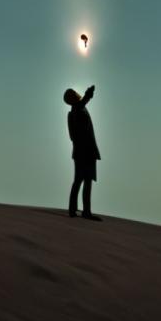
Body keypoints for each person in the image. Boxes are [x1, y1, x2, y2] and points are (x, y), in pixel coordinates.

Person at [63, 84, 102, 220]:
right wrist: (88, 93)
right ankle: (84, 211)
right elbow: (84, 100)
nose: (75, 94)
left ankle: (75, 210)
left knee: (81, 180)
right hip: (85, 152)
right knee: (84, 180)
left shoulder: (75, 111)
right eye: (73, 93)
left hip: (82, 151)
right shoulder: (78, 109)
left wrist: (88, 94)